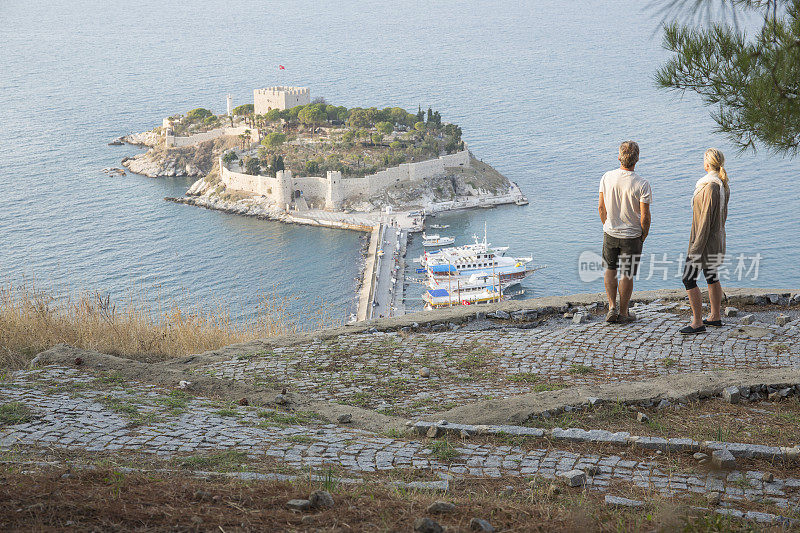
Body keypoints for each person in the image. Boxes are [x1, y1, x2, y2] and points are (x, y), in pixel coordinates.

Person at [598, 141, 652, 323]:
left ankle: (611, 306)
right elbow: (644, 216)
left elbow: (601, 207)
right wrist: (643, 234)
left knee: (610, 269)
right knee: (627, 274)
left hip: (610, 231)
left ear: (619, 157)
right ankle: (623, 312)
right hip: (632, 235)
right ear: (637, 159)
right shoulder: (642, 184)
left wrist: (607, 224)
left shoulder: (607, 177)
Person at [680, 148, 730, 335]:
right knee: (711, 275)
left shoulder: (710, 186)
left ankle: (697, 322)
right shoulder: (723, 184)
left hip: (704, 242)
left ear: (707, 164)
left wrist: (695, 249)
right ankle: (715, 316)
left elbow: (704, 221)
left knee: (688, 278)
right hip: (717, 239)